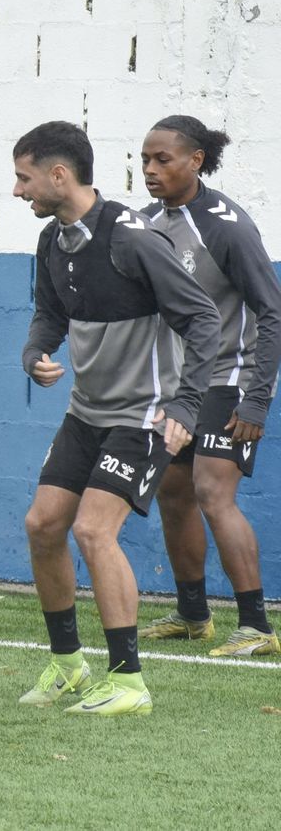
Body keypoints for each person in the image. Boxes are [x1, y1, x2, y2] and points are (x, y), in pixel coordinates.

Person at [12, 121, 220, 715]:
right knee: (43, 525)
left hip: (144, 416)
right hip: (87, 414)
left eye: (24, 178)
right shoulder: (53, 241)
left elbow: (203, 320)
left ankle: (128, 682)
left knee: (93, 529)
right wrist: (35, 354)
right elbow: (48, 313)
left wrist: (184, 406)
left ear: (59, 175)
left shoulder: (133, 240)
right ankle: (67, 666)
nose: (18, 191)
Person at [137, 115, 280, 657]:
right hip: (182, 386)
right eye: (145, 160)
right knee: (173, 494)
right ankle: (193, 616)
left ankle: (257, 626)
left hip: (230, 376)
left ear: (195, 160)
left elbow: (273, 312)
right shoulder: (147, 223)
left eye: (163, 159)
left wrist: (258, 397)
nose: (151, 170)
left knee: (213, 493)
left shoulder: (226, 226)